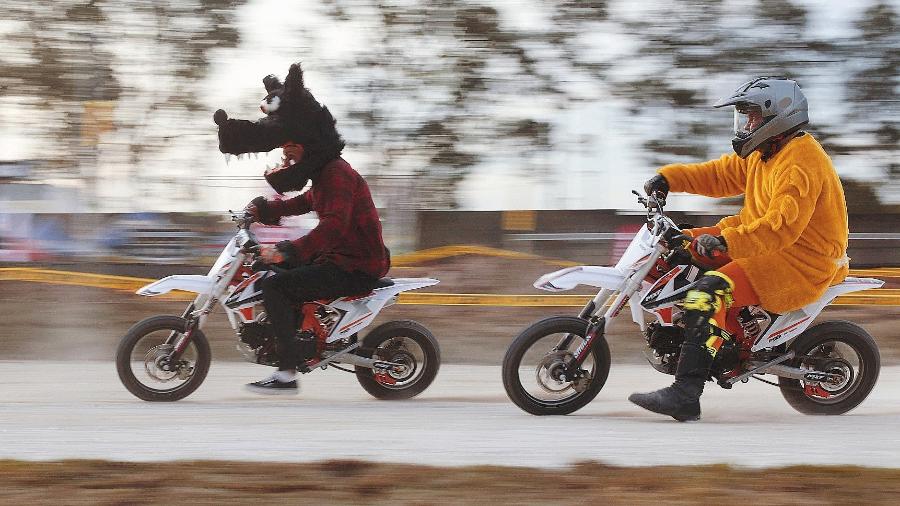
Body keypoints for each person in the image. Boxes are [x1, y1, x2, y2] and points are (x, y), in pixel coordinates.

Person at [629, 77, 850, 421]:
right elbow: (719, 175)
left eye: (751, 118)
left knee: (707, 294)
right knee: (679, 248)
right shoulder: (765, 153)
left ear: (777, 117)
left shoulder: (801, 163)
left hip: (800, 261)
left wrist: (725, 242)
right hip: (763, 245)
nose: (746, 125)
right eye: (743, 118)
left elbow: (781, 227)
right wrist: (669, 179)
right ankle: (713, 337)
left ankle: (685, 395)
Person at [213, 63, 390, 394]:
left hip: (354, 265)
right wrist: (260, 209)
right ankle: (293, 335)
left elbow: (333, 228)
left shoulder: (337, 174)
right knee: (265, 269)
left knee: (276, 288)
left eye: (291, 142)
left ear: (310, 141)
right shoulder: (325, 175)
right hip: (339, 258)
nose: (285, 149)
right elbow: (300, 203)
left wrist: (286, 250)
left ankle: (287, 371)